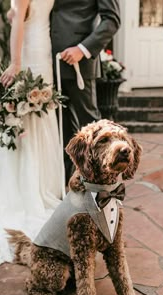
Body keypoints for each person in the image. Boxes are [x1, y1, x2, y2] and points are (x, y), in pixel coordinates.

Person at [0, 0, 63, 268]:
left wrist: (16, 63)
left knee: (27, 119)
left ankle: (27, 189)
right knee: (37, 118)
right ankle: (42, 185)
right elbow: (27, 13)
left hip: (29, 55)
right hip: (42, 51)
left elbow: (20, 20)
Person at [50, 0, 121, 183]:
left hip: (78, 63)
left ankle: (101, 185)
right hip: (48, 63)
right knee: (62, 130)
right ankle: (70, 184)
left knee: (92, 129)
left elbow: (112, 20)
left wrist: (83, 49)